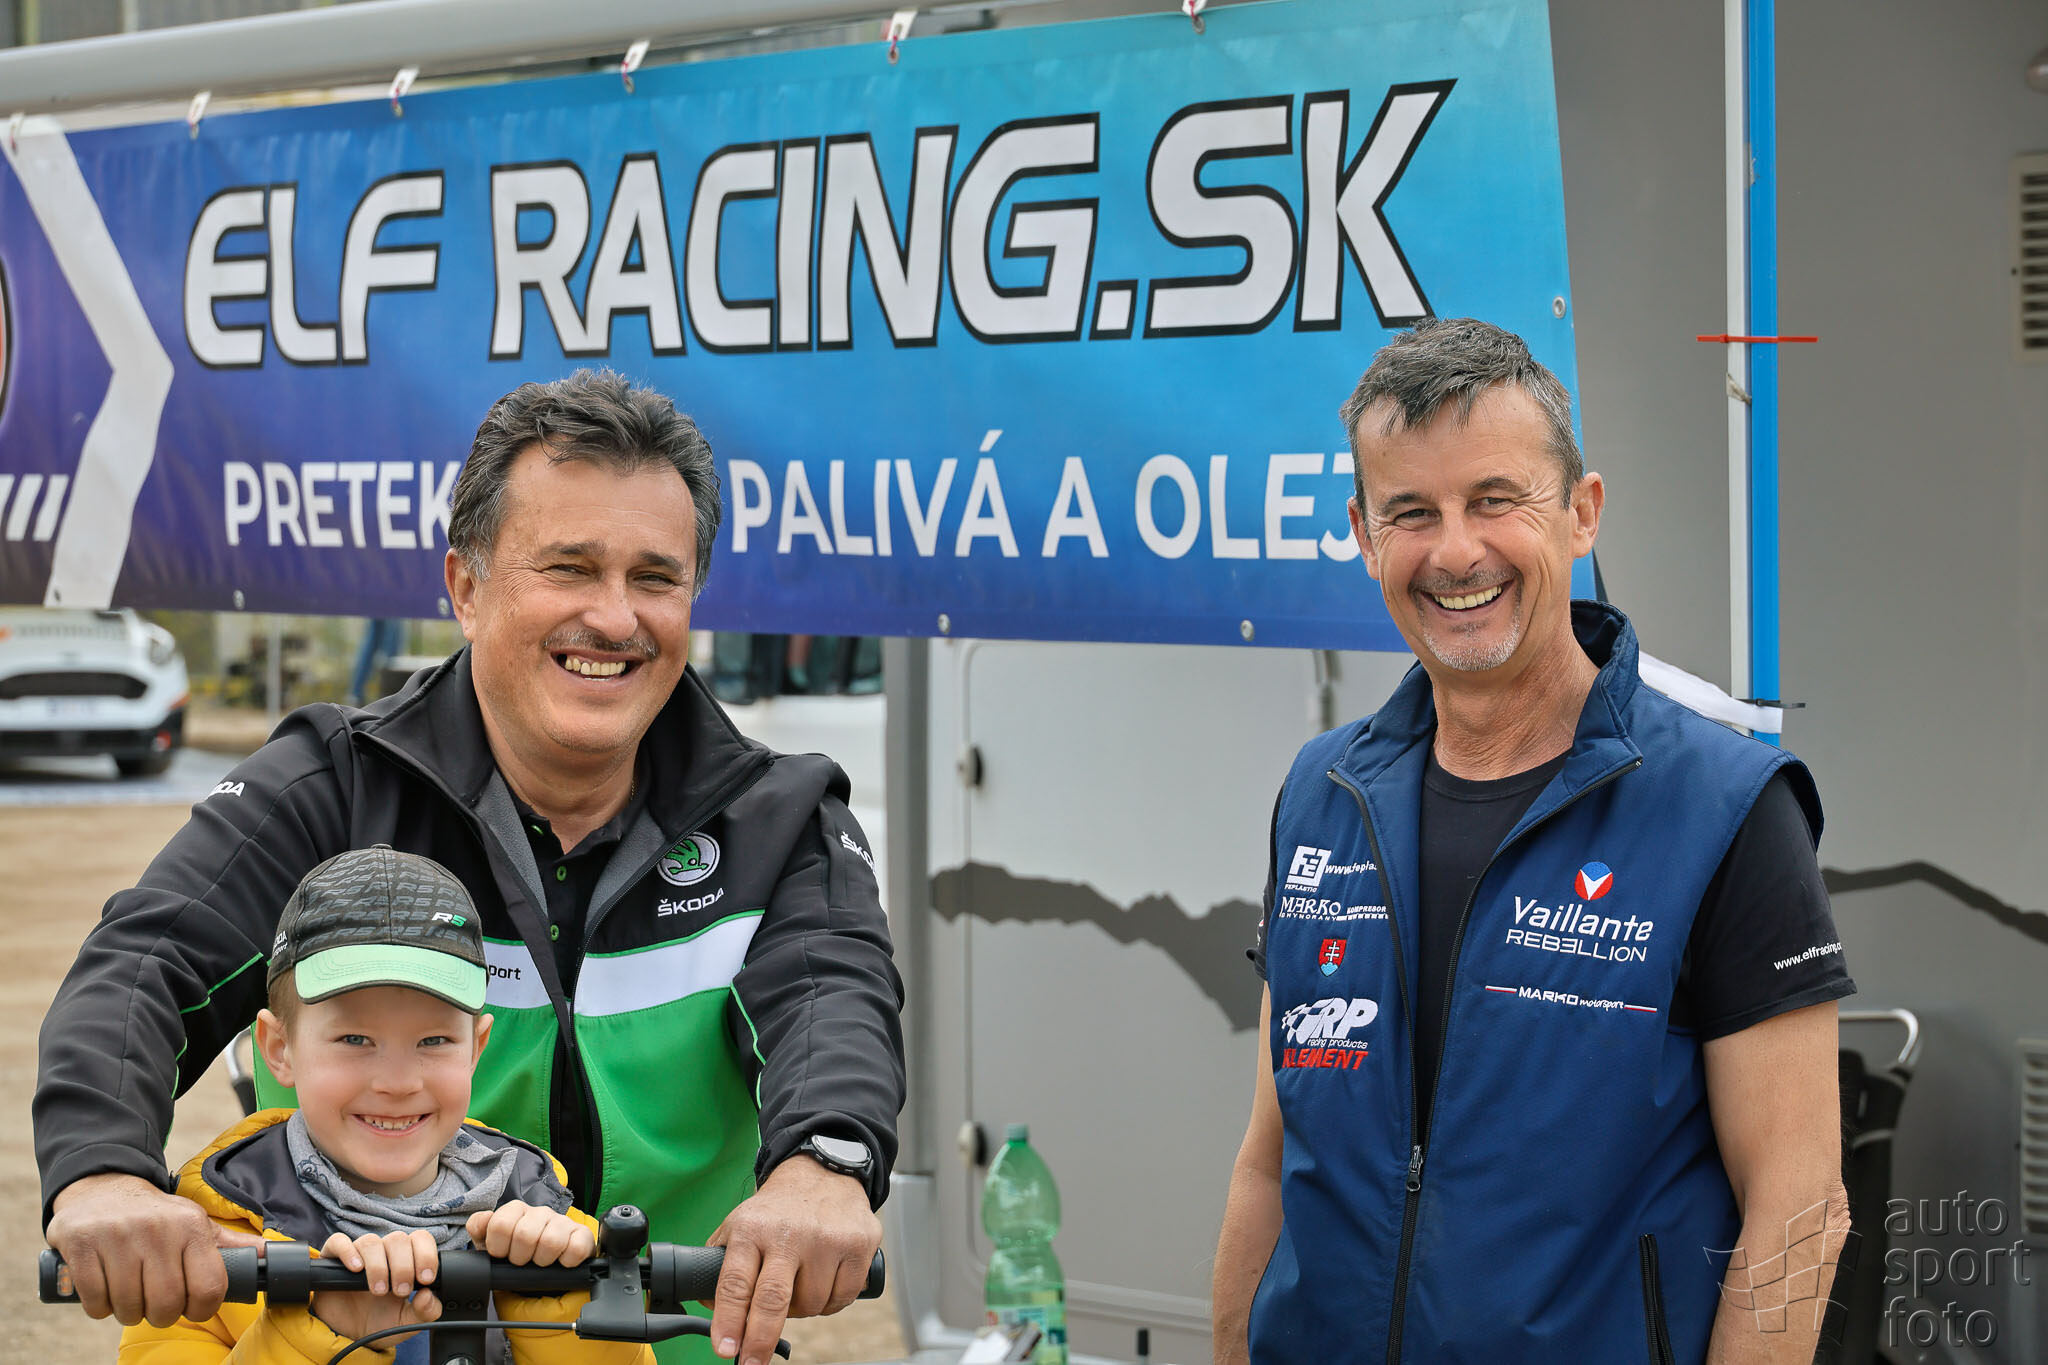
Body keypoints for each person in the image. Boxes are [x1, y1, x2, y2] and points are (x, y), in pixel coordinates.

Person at [38, 371, 903, 1365]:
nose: (614, 617)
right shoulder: (333, 785)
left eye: (655, 578)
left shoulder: (782, 818)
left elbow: (835, 999)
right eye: (569, 568)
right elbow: (143, 964)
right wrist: (103, 1171)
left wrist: (825, 1163)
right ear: (465, 588)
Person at [1211, 319, 1856, 1363]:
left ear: (1581, 513)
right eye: (1411, 512)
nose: (1455, 552)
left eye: (1494, 500)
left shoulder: (1725, 806)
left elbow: (1798, 1206)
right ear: (1364, 536)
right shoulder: (1322, 794)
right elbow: (1266, 1160)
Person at [122, 846, 655, 1365]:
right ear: (279, 1049)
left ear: (476, 1048)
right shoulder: (207, 1243)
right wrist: (328, 1334)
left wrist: (558, 1304)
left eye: (433, 1041)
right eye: (354, 1039)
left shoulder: (551, 1222)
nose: (398, 1083)